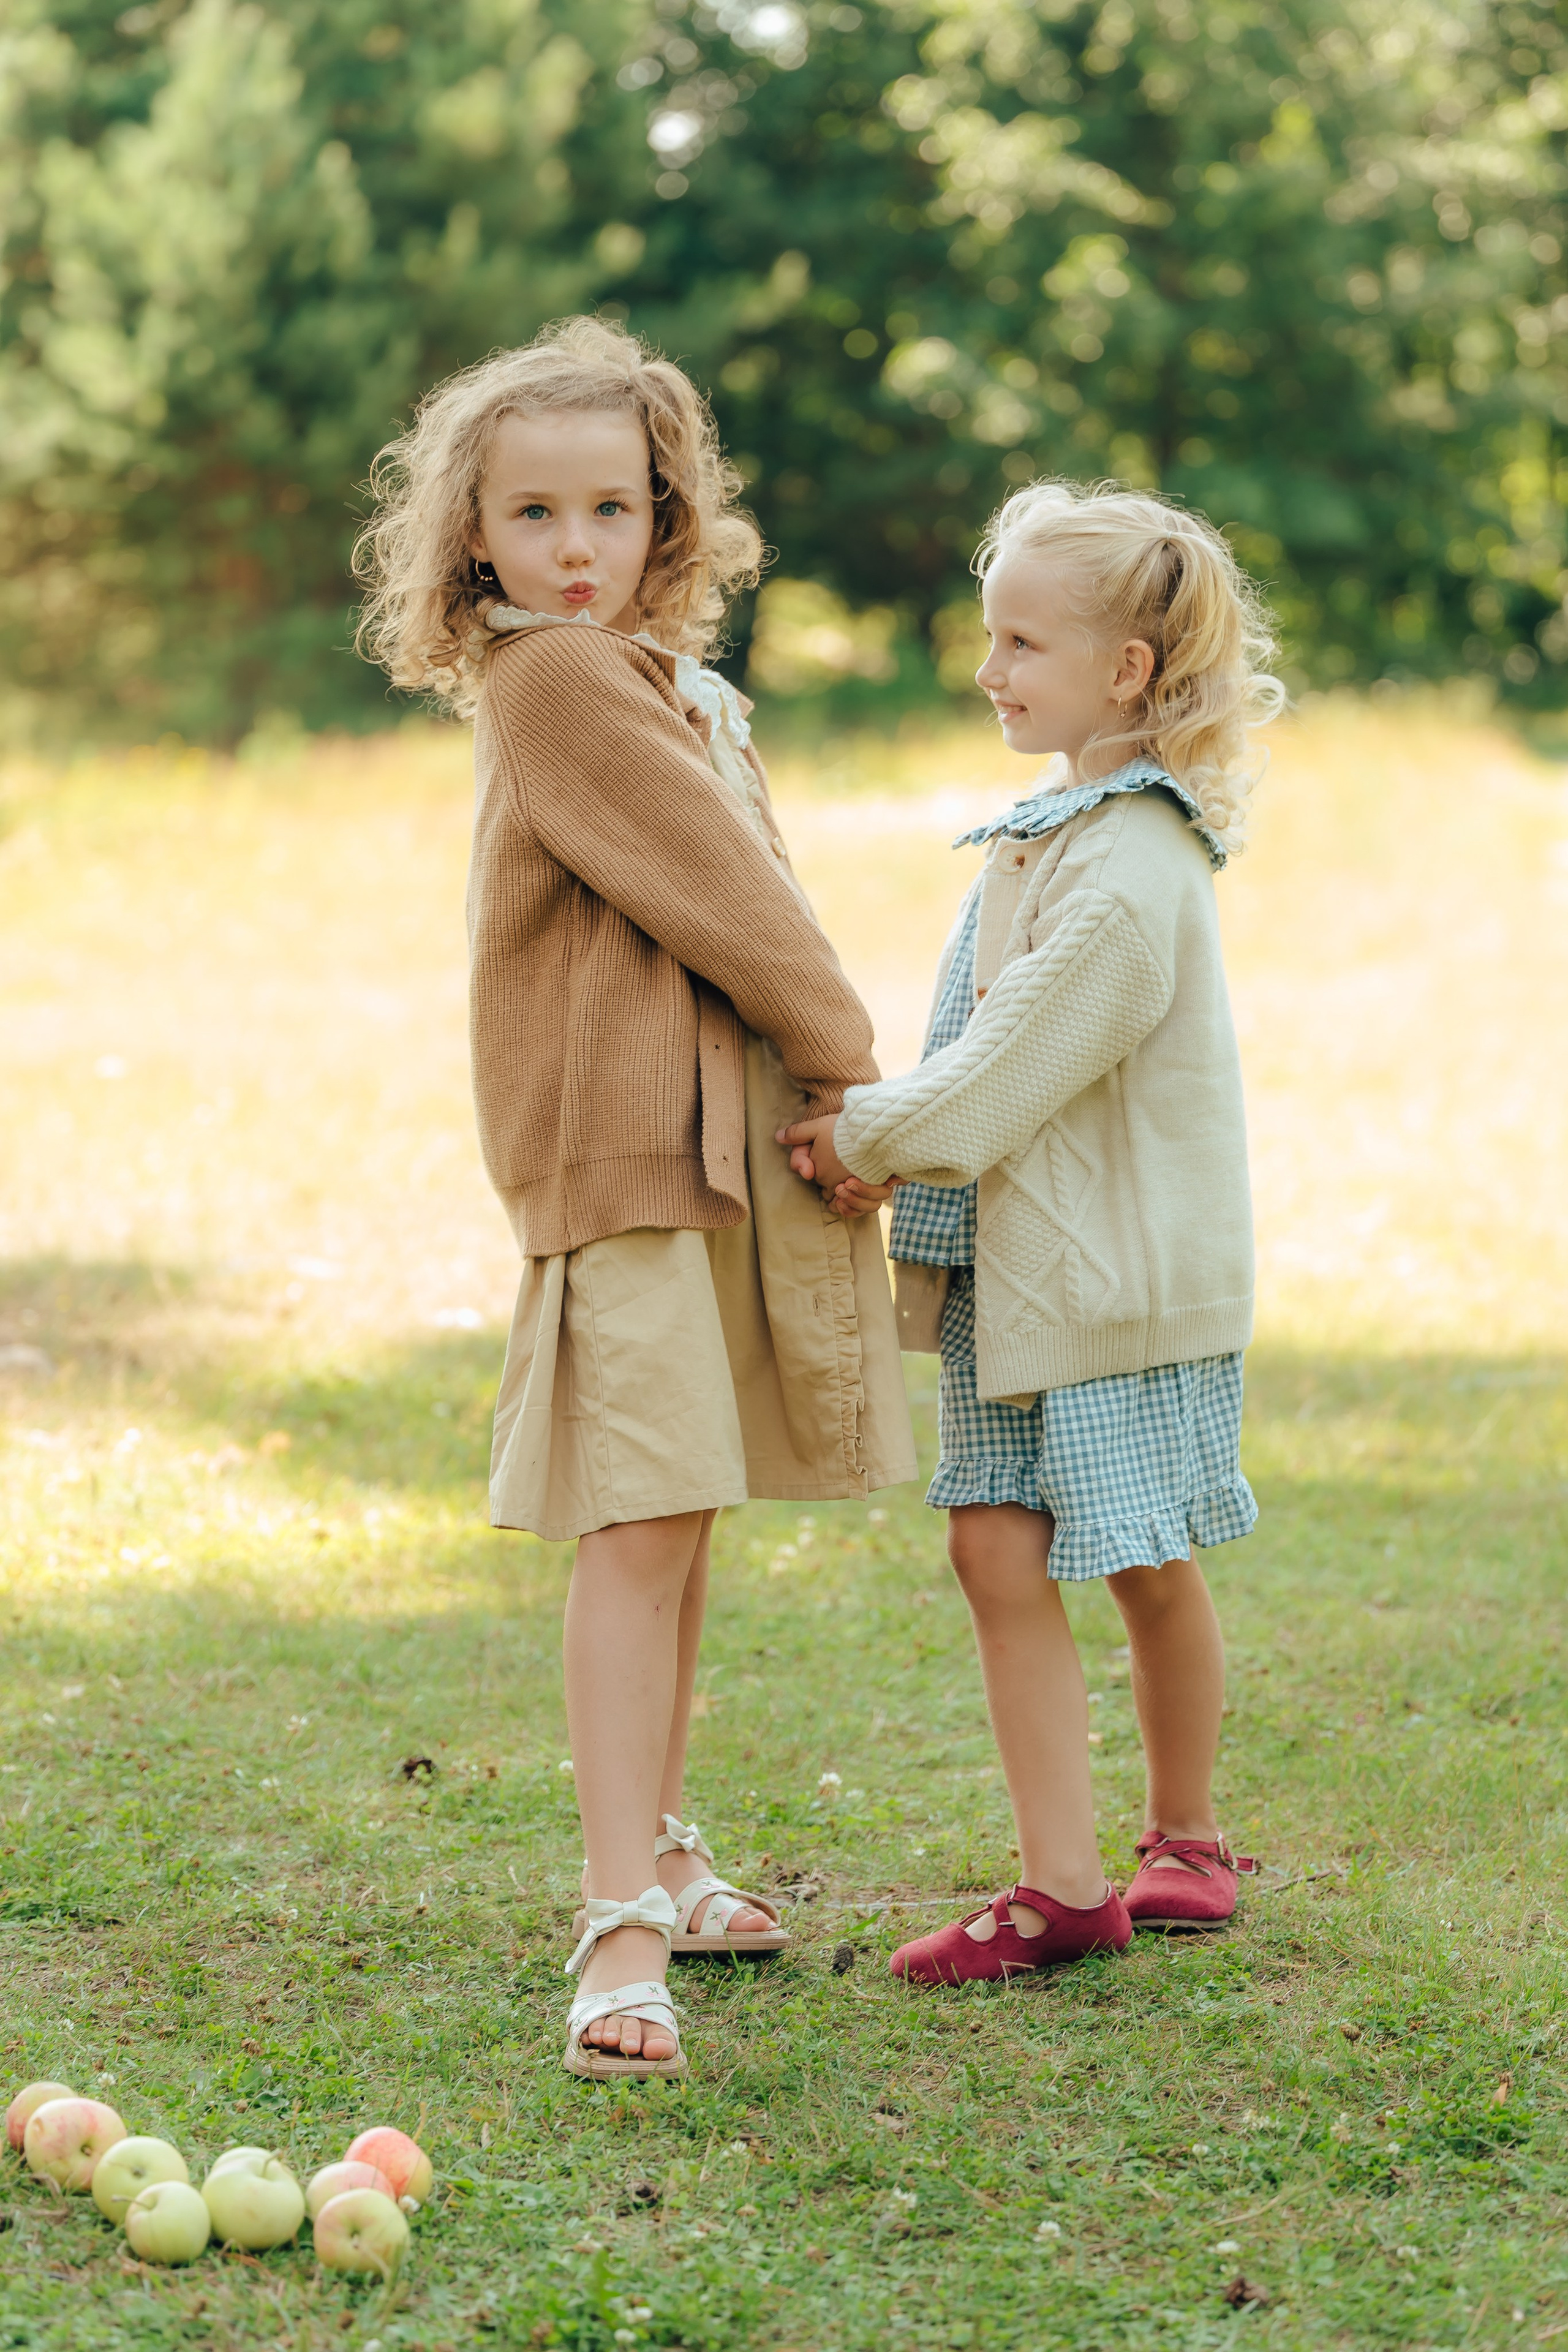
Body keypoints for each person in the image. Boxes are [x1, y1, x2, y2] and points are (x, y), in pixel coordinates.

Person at [355, 318, 915, 2074]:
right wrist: (849, 1058)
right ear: (476, 538)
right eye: (536, 515)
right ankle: (614, 1921)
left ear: (667, 517)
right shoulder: (556, 679)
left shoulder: (647, 674)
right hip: (625, 1147)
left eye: (613, 506)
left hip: (700, 1143)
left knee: (680, 1516)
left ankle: (665, 1850)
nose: (577, 547)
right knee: (641, 1517)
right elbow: (724, 896)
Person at [779, 479, 1283, 1982]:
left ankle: (1181, 1839)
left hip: (1112, 1281)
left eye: (1019, 643)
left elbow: (1011, 1062)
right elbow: (978, 1036)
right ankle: (1063, 1886)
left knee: (1142, 1559)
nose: (989, 671)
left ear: (1124, 672)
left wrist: (861, 1136)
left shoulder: (1132, 861)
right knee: (995, 1551)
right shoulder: (1054, 828)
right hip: (1021, 1277)